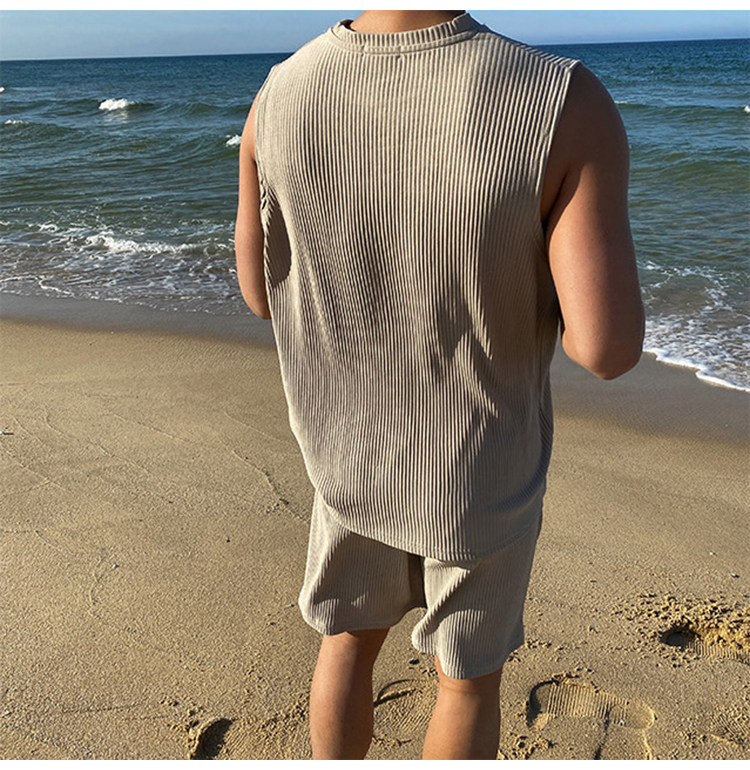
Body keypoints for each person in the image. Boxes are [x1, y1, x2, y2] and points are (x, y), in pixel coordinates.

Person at [234, 10, 644, 760]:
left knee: (347, 642)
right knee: (465, 682)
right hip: (478, 467)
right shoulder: (562, 99)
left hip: (344, 449)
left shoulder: (280, 93)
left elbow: (262, 293)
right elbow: (605, 349)